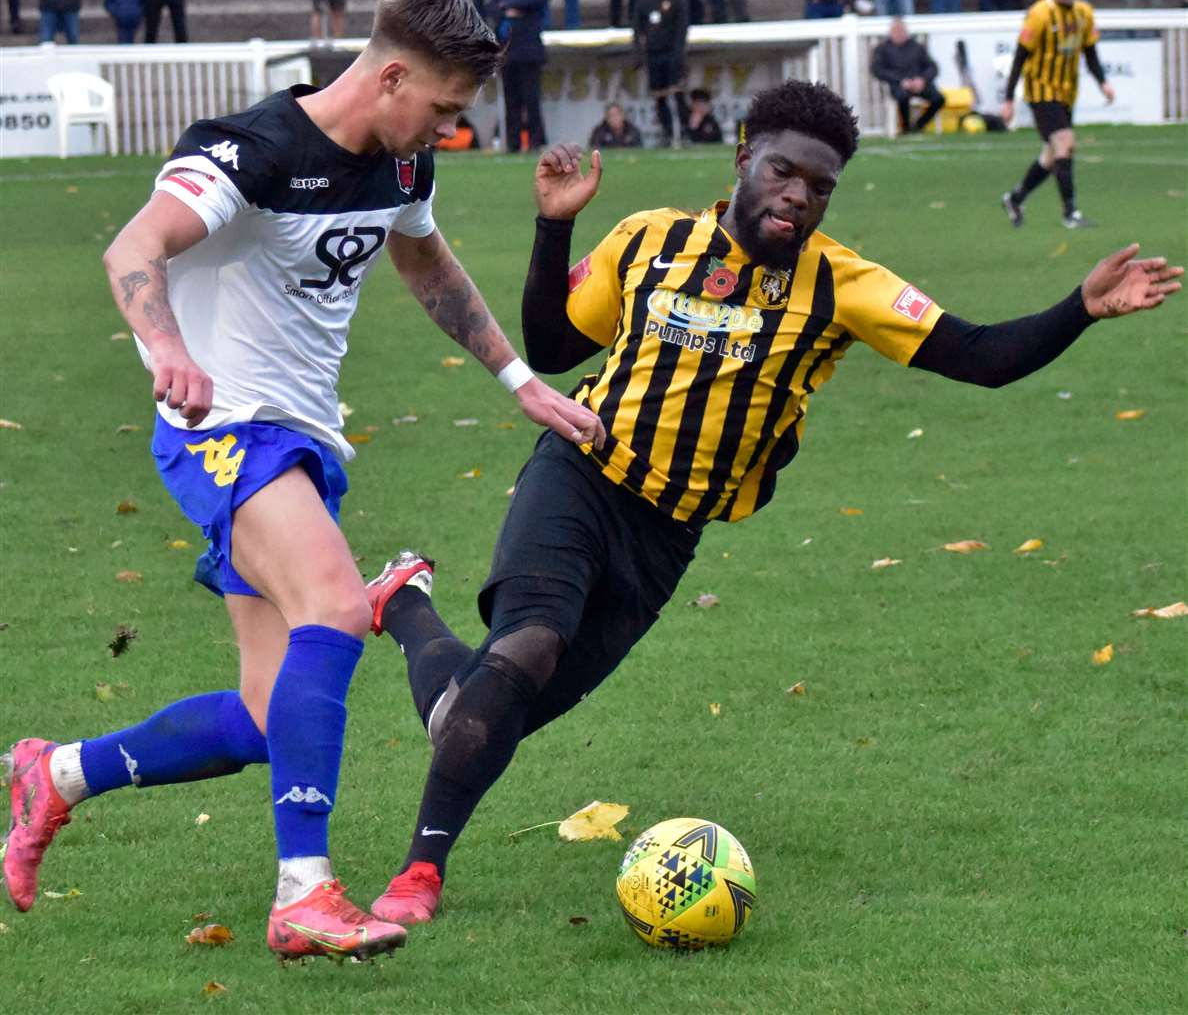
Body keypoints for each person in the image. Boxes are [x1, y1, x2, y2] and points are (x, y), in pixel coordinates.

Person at [359, 77, 1181, 927]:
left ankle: (405, 602)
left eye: (820, 187)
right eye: (785, 172)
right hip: (579, 475)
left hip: (669, 536)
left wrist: (1079, 309)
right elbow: (555, 344)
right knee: (524, 649)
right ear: (744, 158)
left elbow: (978, 355)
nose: (799, 196)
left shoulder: (843, 284)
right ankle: (421, 873)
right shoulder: (649, 241)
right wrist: (554, 224)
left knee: (484, 709)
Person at [1, 0, 602, 962]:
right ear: (393, 75)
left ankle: (54, 775)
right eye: (444, 109)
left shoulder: (404, 165)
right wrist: (169, 353)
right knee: (332, 606)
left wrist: (519, 382)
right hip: (221, 427)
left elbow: (425, 263)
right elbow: (132, 246)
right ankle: (304, 896)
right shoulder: (254, 151)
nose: (448, 130)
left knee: (267, 715)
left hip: (302, 441)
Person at [1000, 0, 1114, 230]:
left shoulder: (1084, 13)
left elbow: (1090, 52)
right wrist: (1008, 99)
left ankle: (1015, 198)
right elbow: (1020, 56)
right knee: (1065, 142)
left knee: (1051, 156)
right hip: (1041, 92)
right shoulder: (1039, 13)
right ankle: (1070, 213)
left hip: (1066, 94)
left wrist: (1103, 83)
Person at [492, 0, 548, 152]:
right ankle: (513, 143)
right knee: (511, 101)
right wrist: (510, 9)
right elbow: (494, 8)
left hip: (530, 53)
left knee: (531, 100)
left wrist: (510, 6)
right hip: (508, 53)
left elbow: (533, 2)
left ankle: (536, 141)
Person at [632, 0, 689, 147]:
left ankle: (685, 133)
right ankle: (667, 133)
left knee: (678, 94)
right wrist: (638, 55)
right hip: (653, 55)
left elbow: (682, 29)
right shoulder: (643, 2)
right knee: (660, 97)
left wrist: (679, 54)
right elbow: (637, 30)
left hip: (672, 54)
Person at [871, 16, 944, 133]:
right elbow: (877, 70)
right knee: (902, 97)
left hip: (920, 84)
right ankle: (906, 127)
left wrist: (922, 79)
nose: (900, 34)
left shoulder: (917, 47)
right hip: (898, 85)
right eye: (896, 31)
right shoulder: (882, 49)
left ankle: (919, 125)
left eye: (902, 31)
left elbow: (933, 67)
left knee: (939, 99)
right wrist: (900, 81)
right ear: (890, 33)